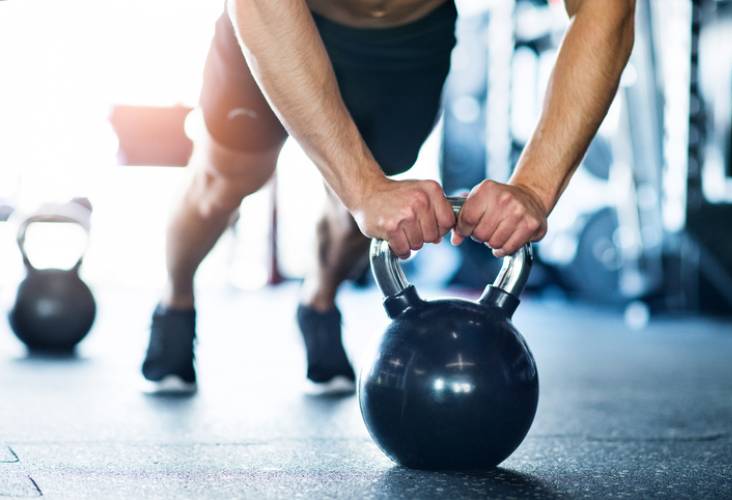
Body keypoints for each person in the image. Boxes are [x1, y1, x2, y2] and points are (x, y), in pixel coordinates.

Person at [141, 0, 636, 394]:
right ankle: (175, 299)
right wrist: (362, 188)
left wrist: (533, 187)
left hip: (406, 44)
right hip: (278, 18)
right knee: (222, 184)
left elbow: (605, 7)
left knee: (361, 219)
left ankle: (318, 301)